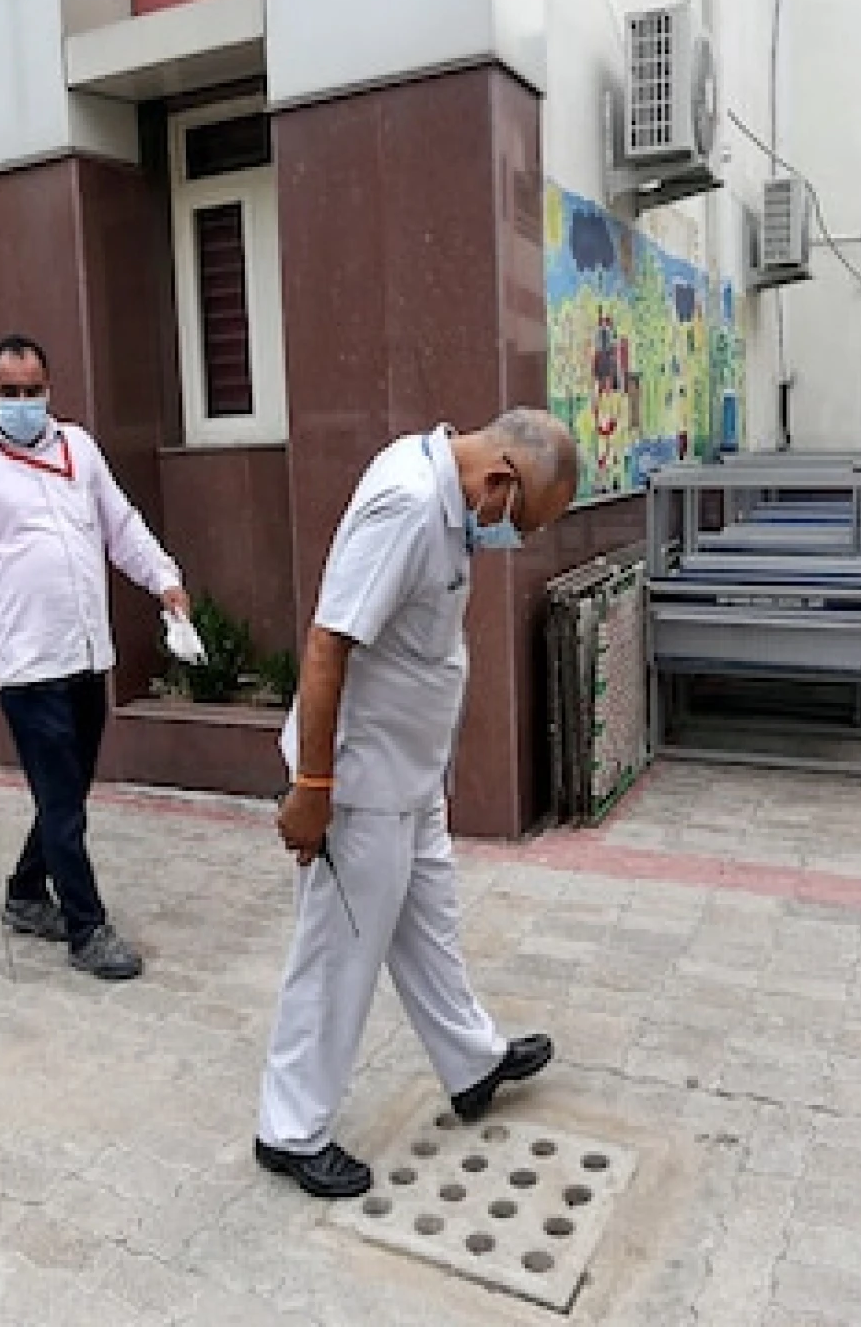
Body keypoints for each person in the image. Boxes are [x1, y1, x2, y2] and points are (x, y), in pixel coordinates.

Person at [254, 408, 579, 1200]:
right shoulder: (406, 505)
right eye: (523, 523)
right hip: (359, 785)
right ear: (499, 481)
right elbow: (327, 645)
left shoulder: (450, 495)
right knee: (337, 957)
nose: (516, 539)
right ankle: (289, 1130)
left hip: (410, 775)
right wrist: (313, 790)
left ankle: (472, 1063)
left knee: (429, 927)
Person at [0, 334, 195, 981]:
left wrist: (163, 577)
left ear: (49, 390)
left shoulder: (79, 448)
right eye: (10, 392)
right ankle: (86, 928)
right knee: (64, 805)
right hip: (28, 663)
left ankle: (25, 892)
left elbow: (121, 525)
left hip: (86, 653)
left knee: (66, 794)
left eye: (33, 390)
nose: (22, 402)